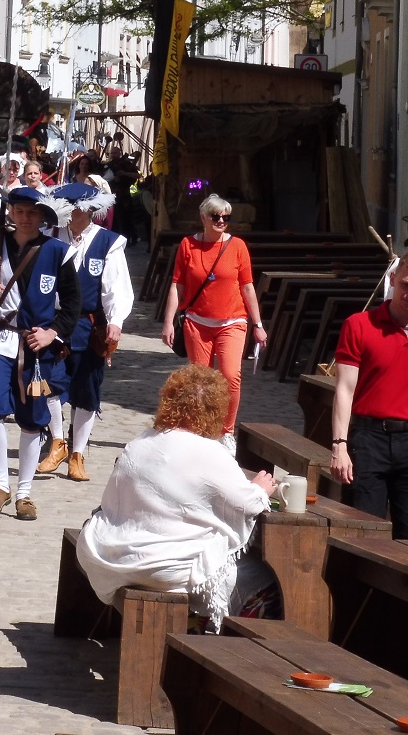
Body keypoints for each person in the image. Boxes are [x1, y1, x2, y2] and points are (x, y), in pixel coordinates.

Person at [75, 366, 280, 633]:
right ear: (216, 409)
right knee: (263, 580)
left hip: (109, 552)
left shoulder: (142, 441)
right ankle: (220, 645)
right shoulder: (209, 451)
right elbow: (248, 504)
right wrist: (261, 488)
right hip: (161, 566)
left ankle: (195, 630)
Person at [0, 187, 80, 521]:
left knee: (33, 419)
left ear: (42, 215)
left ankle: (24, 492)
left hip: (36, 345)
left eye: (32, 212)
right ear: (11, 213)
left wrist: (52, 332)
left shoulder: (57, 252)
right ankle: (1, 483)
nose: (25, 217)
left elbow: (73, 302)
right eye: (19, 210)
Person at [40, 183, 132, 482]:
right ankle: (57, 442)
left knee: (87, 390)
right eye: (66, 207)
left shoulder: (108, 242)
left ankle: (77, 453)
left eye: (75, 207)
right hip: (54, 322)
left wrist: (116, 322)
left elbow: (116, 288)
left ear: (89, 210)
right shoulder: (51, 237)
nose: (70, 213)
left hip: (89, 324)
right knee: (48, 384)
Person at [159, 194, 267, 448]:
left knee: (230, 375)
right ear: (203, 218)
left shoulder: (238, 246)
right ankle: (202, 430)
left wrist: (259, 324)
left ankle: (226, 432)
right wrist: (167, 322)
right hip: (197, 322)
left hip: (233, 321)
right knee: (200, 380)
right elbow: (178, 285)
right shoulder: (188, 245)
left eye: (225, 217)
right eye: (216, 216)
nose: (221, 221)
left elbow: (248, 287)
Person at [329, 247, 408, 538]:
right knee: (363, 533)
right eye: (407, 285)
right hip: (368, 439)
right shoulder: (360, 325)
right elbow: (344, 388)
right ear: (393, 278)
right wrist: (339, 445)